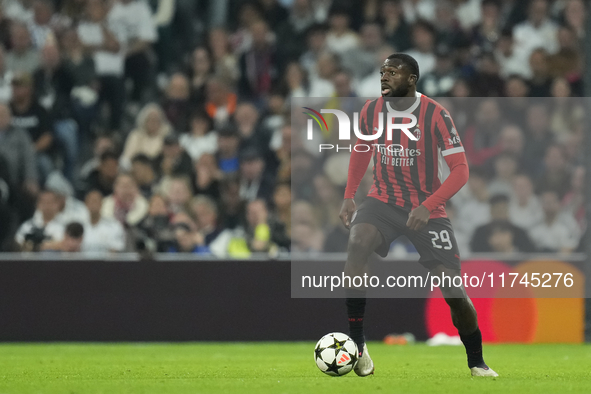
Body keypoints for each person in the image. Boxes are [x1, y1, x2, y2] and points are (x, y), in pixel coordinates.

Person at [339, 53, 497, 377]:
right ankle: (358, 346)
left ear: (411, 79)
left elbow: (461, 170)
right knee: (357, 242)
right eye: (382, 72)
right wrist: (348, 196)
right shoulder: (371, 110)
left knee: (453, 292)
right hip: (381, 200)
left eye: (393, 73)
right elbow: (361, 150)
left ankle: (477, 361)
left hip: (427, 206)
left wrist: (428, 205)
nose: (384, 77)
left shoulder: (436, 114)